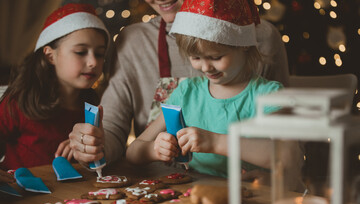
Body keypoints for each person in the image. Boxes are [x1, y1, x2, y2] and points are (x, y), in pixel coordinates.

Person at [69, 0, 290, 168]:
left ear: (244, 46)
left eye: (215, 57)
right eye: (195, 58)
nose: (205, 68)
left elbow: (287, 153)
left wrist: (217, 144)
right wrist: (92, 145)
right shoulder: (185, 91)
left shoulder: (264, 63)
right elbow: (126, 143)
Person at [0, 3, 110, 170]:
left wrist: (83, 146)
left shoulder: (95, 106)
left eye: (100, 54)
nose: (93, 62)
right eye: (80, 52)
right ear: (50, 56)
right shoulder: (19, 101)